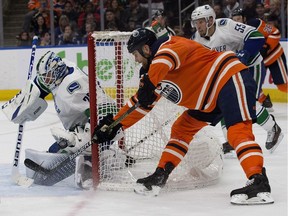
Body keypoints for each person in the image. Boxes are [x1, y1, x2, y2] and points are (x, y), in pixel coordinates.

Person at [93, 27, 274, 204]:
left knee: (237, 131)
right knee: (181, 128)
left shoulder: (170, 45)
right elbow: (141, 104)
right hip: (207, 101)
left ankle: (258, 181)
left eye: (135, 54)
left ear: (146, 49)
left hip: (228, 78)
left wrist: (151, 80)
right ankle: (160, 175)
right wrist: (116, 124)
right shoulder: (153, 74)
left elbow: (166, 59)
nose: (135, 59)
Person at [3, 51, 118, 189]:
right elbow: (41, 85)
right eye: (45, 76)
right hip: (80, 125)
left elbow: (103, 109)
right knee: (55, 151)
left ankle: (106, 158)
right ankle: (95, 152)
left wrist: (88, 134)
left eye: (48, 76)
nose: (46, 80)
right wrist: (26, 99)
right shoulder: (62, 69)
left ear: (57, 71)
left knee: (80, 147)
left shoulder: (74, 86)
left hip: (106, 125)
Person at [190, 5, 283, 156]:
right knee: (225, 103)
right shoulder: (196, 39)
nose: (197, 26)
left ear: (211, 20)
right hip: (230, 71)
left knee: (247, 102)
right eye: (195, 22)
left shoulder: (226, 25)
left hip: (251, 65)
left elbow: (257, 37)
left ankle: (273, 128)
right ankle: (232, 139)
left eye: (200, 22)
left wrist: (245, 53)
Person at [231, 8, 288, 108]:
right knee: (250, 82)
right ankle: (263, 99)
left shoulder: (256, 24)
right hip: (257, 61)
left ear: (244, 19)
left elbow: (275, 33)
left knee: (283, 86)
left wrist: (266, 46)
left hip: (273, 56)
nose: (236, 22)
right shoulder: (231, 32)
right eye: (234, 20)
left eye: (238, 19)